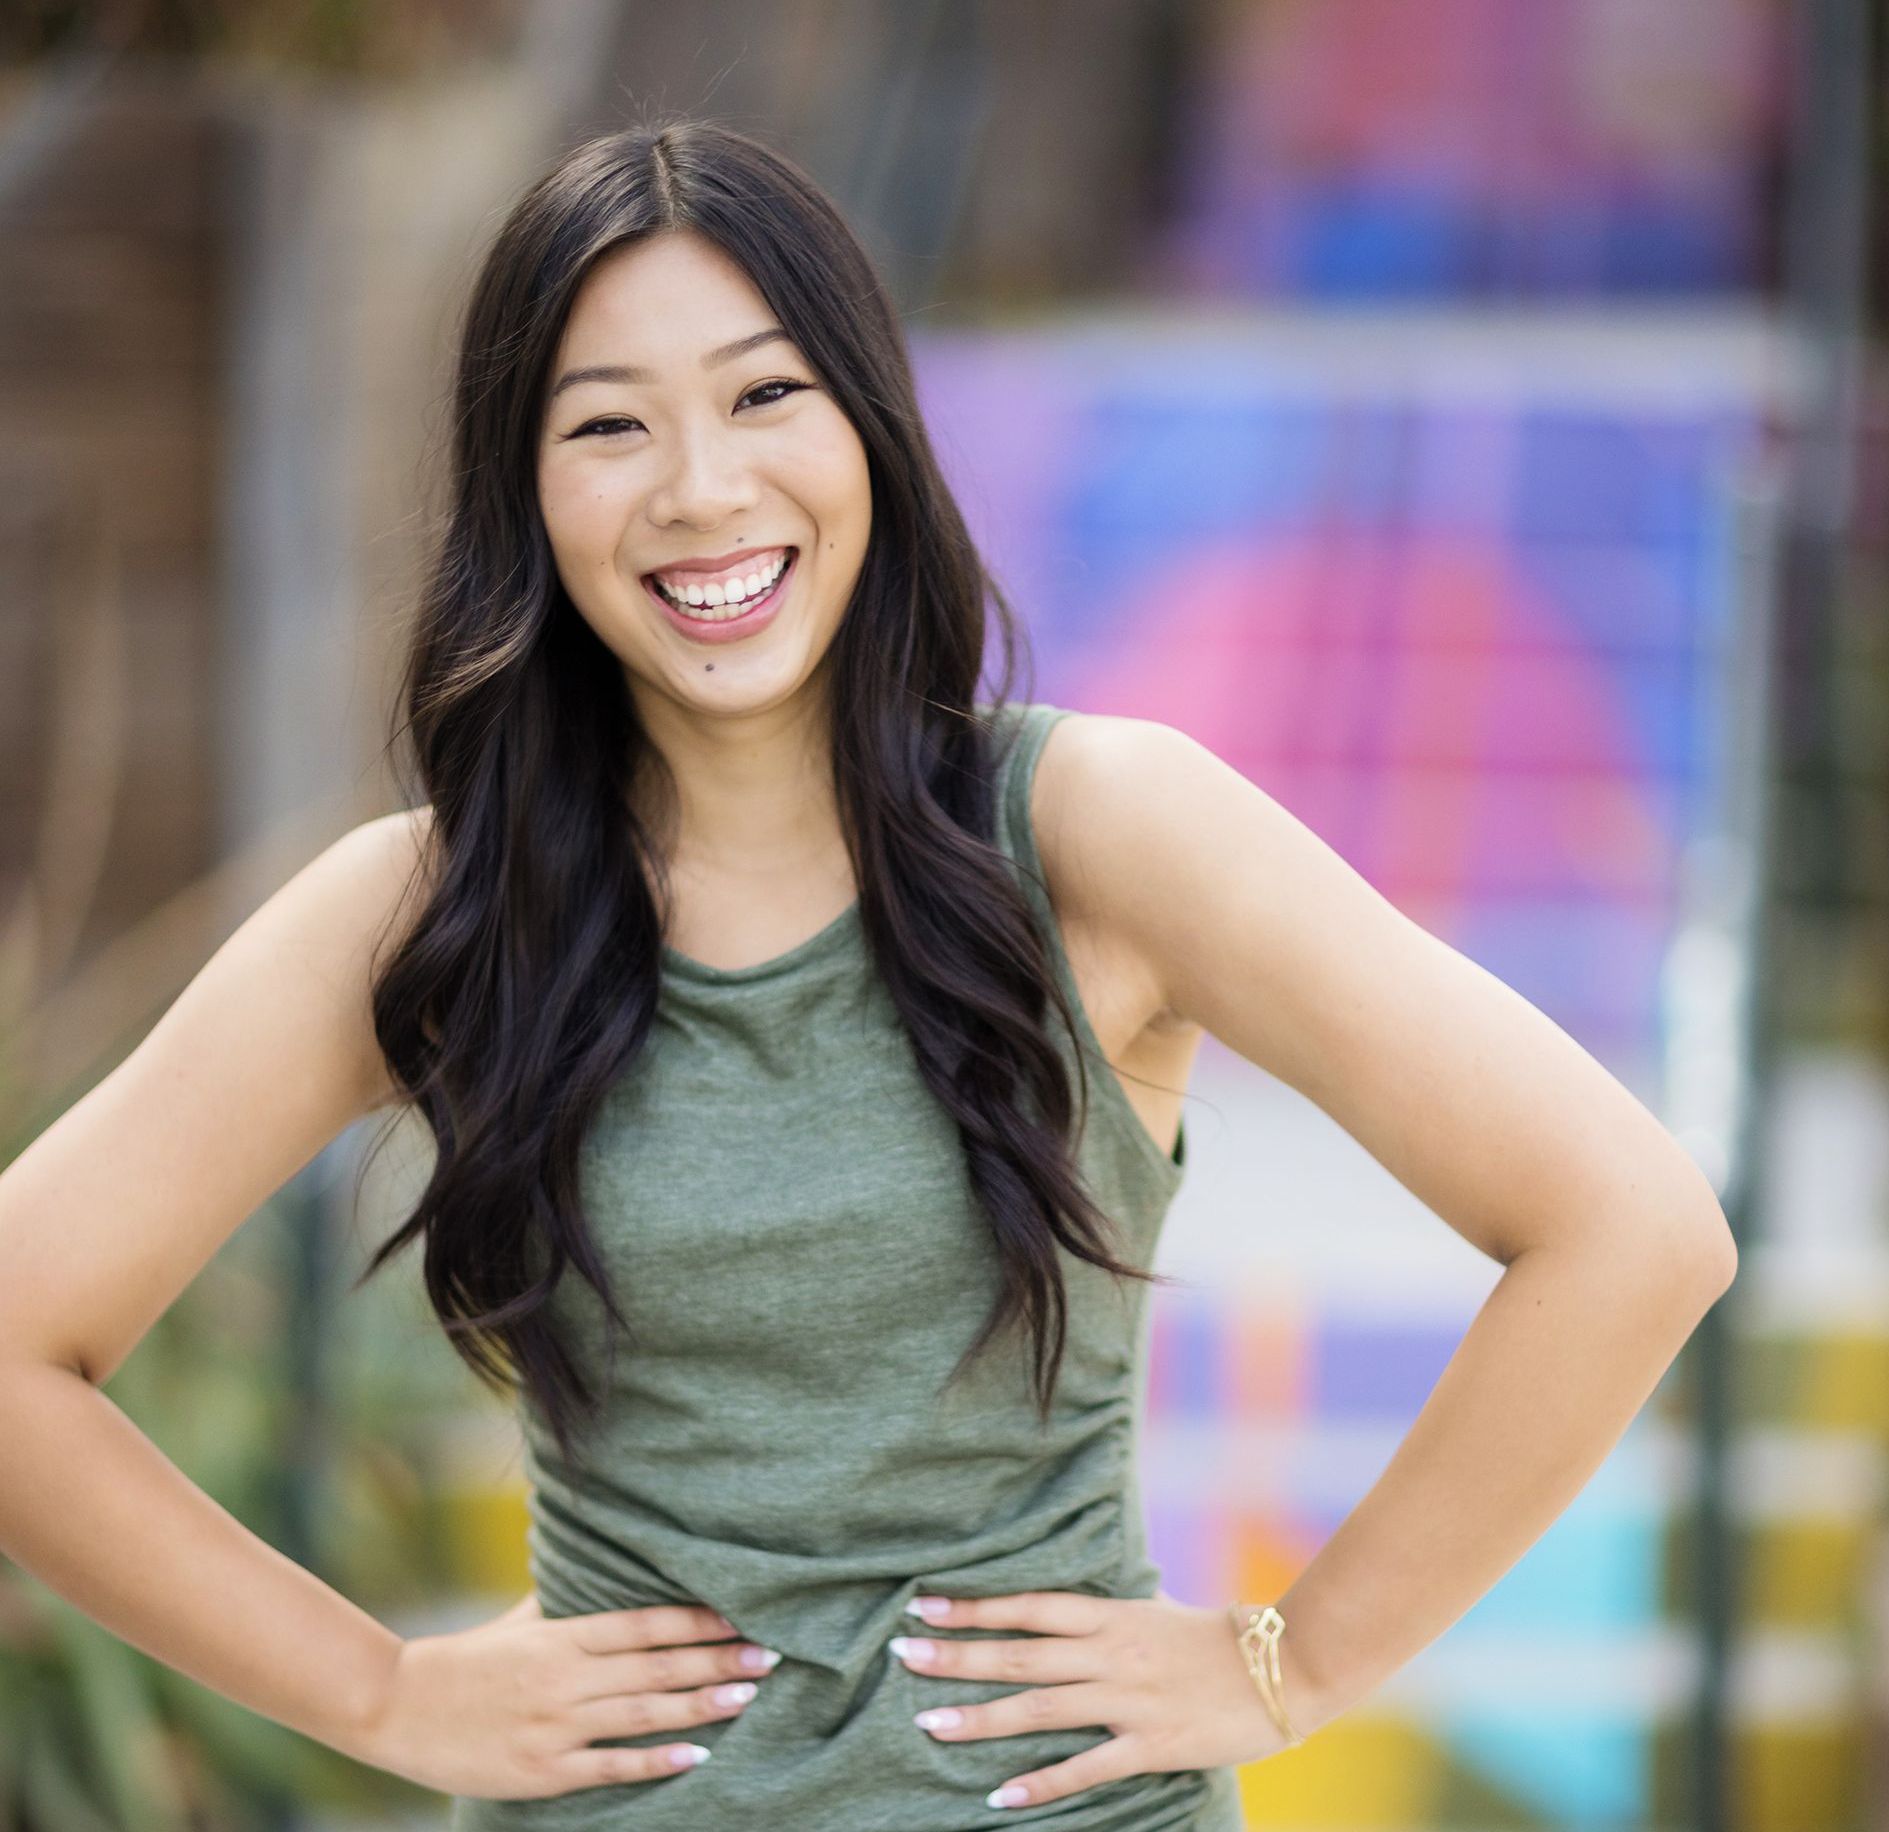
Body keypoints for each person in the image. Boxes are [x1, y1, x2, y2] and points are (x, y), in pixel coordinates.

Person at [0, 115, 1738, 1831]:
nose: (702, 489)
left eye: (766, 396)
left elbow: (1628, 1227)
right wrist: (376, 1691)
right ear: (527, 492)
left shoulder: (1091, 831)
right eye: (610, 425)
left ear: (870, 427)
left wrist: (1294, 1660)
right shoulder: (438, 908)